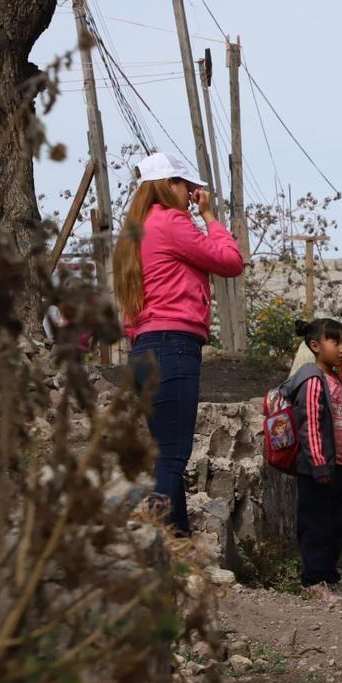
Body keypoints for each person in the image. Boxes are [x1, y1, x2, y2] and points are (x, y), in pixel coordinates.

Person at [116, 151, 244, 535]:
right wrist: (208, 217)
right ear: (168, 185)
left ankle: (180, 542)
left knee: (165, 454)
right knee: (172, 457)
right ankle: (156, 543)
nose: (192, 194)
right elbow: (230, 260)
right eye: (187, 186)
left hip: (143, 349)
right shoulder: (171, 222)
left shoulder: (135, 230)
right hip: (173, 346)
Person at [279, 318, 342, 603]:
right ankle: (313, 580)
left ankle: (328, 576)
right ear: (315, 346)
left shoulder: (337, 381)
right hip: (317, 469)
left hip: (335, 468)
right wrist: (318, 464)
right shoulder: (312, 379)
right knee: (314, 524)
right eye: (335, 342)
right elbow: (310, 426)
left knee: (334, 525)